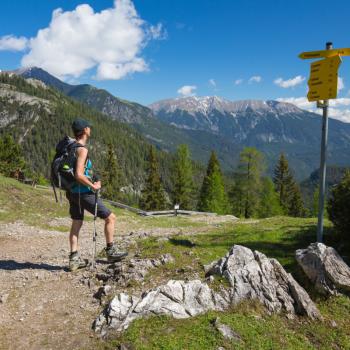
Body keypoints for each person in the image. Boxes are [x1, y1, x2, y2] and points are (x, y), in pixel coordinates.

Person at [66, 118, 127, 271]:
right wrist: (93, 185)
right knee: (110, 217)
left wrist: (94, 178)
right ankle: (111, 251)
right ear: (85, 130)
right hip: (83, 193)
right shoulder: (82, 149)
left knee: (76, 223)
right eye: (89, 127)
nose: (90, 129)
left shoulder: (71, 146)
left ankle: (74, 259)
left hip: (71, 192)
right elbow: (79, 175)